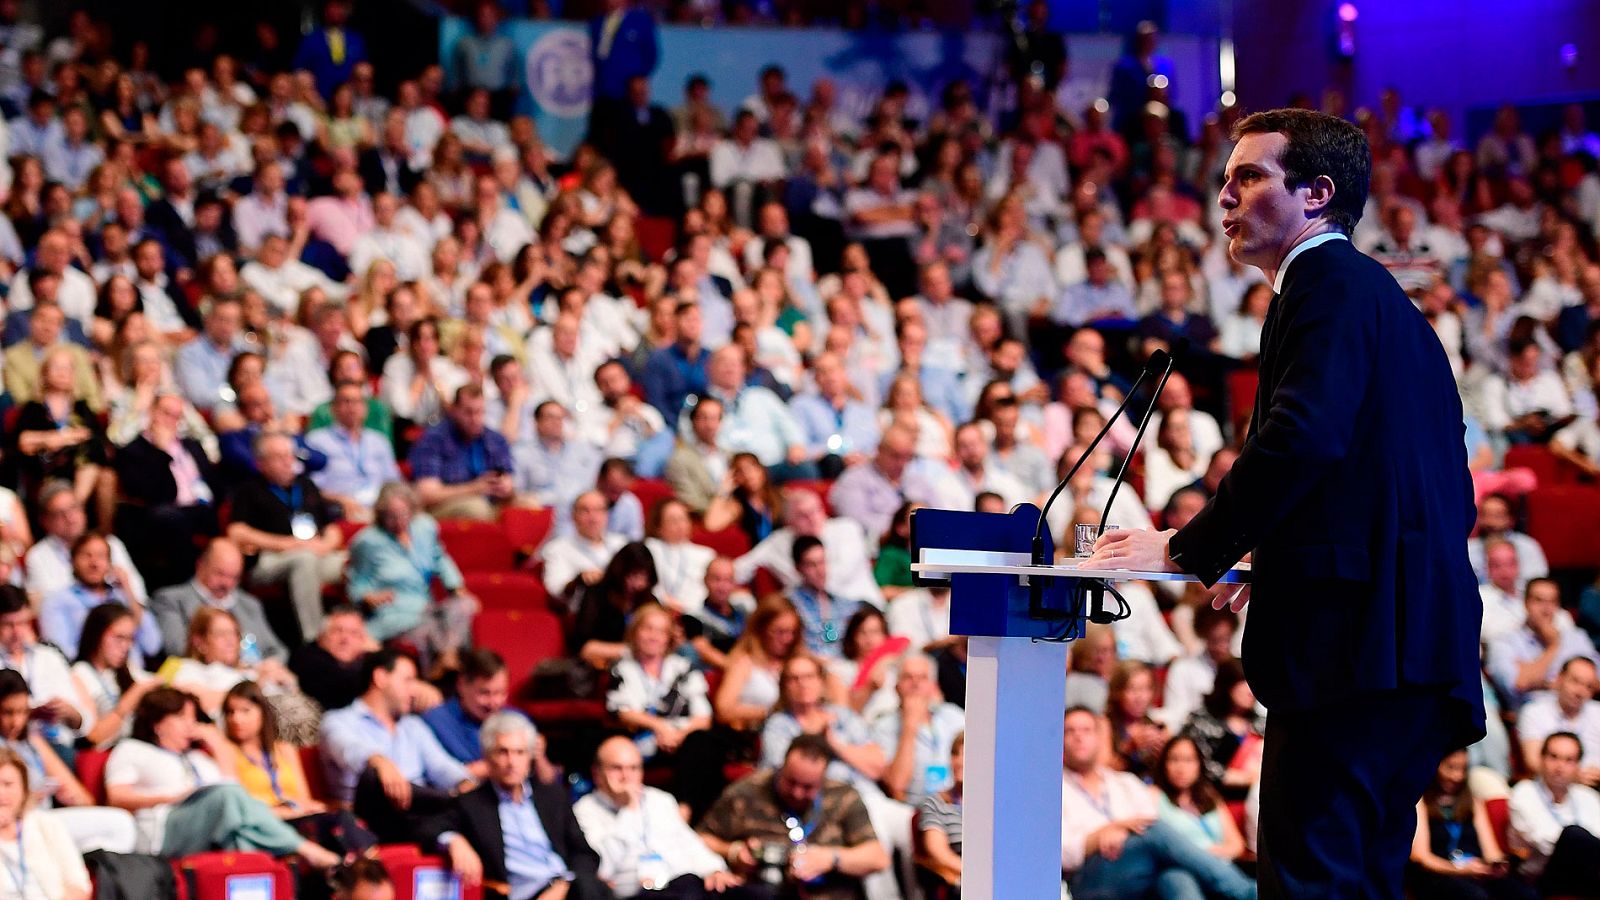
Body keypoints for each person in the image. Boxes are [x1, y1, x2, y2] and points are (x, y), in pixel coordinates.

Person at [1083, 108, 1484, 897]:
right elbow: (1390, 484)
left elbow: (1303, 437)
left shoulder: (1326, 286)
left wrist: (1188, 548)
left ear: (1317, 194)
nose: (1224, 197)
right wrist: (1277, 561)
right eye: (1226, 180)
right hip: (1404, 646)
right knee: (1358, 881)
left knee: (1310, 884)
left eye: (1249, 176)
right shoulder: (1384, 303)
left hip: (1352, 653)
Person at [104, 686, 340, 866]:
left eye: (193, 719)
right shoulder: (133, 749)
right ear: (158, 723)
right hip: (165, 828)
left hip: (212, 826)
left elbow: (234, 788)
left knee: (239, 835)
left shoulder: (198, 758)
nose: (190, 725)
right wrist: (173, 798)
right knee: (226, 799)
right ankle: (305, 850)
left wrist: (216, 744)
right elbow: (116, 797)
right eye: (182, 718)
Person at [1061, 706, 1256, 900]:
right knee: (1154, 832)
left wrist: (1123, 831)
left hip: (1141, 869)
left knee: (1176, 878)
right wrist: (1106, 831)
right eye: (1070, 731)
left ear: (1100, 738)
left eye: (1086, 730)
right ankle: (1247, 892)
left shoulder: (1125, 782)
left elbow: (1146, 822)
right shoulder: (1054, 793)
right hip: (1088, 878)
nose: (1079, 737)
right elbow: (1063, 854)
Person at [425, 711, 614, 900]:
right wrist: (454, 841)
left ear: (530, 757)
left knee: (591, 886)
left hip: (568, 888)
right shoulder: (472, 804)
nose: (512, 762)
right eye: (503, 752)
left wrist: (562, 887)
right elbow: (426, 827)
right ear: (488, 757)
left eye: (519, 752)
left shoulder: (551, 796)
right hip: (525, 894)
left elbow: (585, 854)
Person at [698, 733, 890, 899]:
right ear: (782, 767)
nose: (797, 793)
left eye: (808, 787)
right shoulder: (746, 792)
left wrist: (831, 859)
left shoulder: (843, 796)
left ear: (822, 779)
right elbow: (698, 839)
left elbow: (877, 857)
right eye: (791, 782)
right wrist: (733, 852)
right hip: (763, 893)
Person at [318, 649, 473, 844]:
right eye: (408, 680)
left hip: (422, 810)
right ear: (381, 677)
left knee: (476, 798)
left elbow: (442, 766)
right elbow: (350, 751)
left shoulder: (413, 725)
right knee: (372, 776)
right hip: (370, 817)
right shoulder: (337, 721)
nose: (415, 689)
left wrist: (465, 783)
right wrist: (380, 761)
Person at [573, 735, 748, 898]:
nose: (626, 776)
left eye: (633, 768)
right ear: (597, 773)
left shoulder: (660, 800)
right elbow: (602, 866)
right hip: (638, 893)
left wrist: (714, 870)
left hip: (686, 884)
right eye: (617, 768)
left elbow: (689, 842)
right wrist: (628, 810)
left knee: (756, 895)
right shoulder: (585, 810)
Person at [226, 430, 347, 643]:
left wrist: (324, 546)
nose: (287, 462)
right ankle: (315, 639)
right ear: (261, 462)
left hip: (314, 553)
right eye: (279, 457)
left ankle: (351, 633)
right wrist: (286, 544)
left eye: (290, 455)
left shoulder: (306, 485)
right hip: (269, 560)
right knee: (304, 560)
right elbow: (237, 532)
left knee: (351, 561)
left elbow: (332, 528)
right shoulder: (249, 490)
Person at [0, 668, 138, 854]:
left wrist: (69, 797)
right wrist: (28, 800)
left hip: (46, 821)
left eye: (23, 712)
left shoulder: (32, 741)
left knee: (122, 826)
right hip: (17, 825)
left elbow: (84, 799)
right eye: (8, 712)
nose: (16, 722)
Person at [345, 481, 476, 672]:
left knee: (465, 604)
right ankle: (441, 666)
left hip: (426, 605)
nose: (399, 522)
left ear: (412, 510)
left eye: (404, 514)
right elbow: (356, 585)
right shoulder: (366, 542)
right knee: (427, 628)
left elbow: (440, 558)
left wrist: (456, 587)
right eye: (391, 516)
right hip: (394, 612)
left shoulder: (425, 527)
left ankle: (448, 658)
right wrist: (368, 597)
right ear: (381, 514)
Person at [1406, 749, 1532, 900]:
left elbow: (1491, 852)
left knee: (1522, 893)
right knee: (1475, 896)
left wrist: (1496, 866)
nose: (1457, 776)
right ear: (1435, 766)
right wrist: (1461, 870)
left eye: (1462, 769)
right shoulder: (1421, 801)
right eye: (1451, 767)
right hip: (1439, 875)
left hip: (1475, 873)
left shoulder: (1472, 801)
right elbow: (1421, 857)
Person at [421, 648, 557, 784]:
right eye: (485, 693)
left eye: (500, 693)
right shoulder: (435, 722)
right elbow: (436, 778)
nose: (494, 702)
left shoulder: (517, 720)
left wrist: (539, 758)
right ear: (461, 685)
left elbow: (549, 782)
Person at [150, 538, 287, 664]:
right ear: (200, 566)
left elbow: (278, 650)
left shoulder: (250, 604)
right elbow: (177, 649)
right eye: (220, 574)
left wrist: (269, 666)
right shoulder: (172, 599)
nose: (227, 584)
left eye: (234, 577)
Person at [407, 384, 524, 522]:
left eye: (480, 412)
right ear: (454, 410)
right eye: (468, 412)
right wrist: (475, 488)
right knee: (477, 508)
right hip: (442, 508)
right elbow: (426, 494)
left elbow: (509, 482)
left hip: (491, 503)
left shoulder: (494, 439)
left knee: (528, 504)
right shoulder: (434, 439)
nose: (474, 419)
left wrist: (505, 488)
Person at [39, 532, 160, 663]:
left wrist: (128, 590)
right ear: (72, 561)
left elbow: (152, 645)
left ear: (110, 563)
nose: (94, 563)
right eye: (87, 556)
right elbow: (62, 652)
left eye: (101, 556)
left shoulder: (123, 597)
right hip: (87, 675)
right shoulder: (57, 601)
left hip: (133, 674)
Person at [1507, 733, 1600, 895]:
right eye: (1554, 757)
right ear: (1541, 759)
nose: (1560, 767)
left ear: (1578, 766)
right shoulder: (1524, 792)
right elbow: (1545, 842)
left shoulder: (1587, 796)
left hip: (1588, 873)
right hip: (1542, 877)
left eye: (1569, 760)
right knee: (1573, 834)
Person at [871, 653, 964, 808]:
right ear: (896, 686)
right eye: (908, 677)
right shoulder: (883, 726)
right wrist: (910, 726)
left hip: (958, 803)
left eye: (923, 678)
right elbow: (897, 785)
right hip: (913, 809)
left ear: (933, 686)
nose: (915, 683)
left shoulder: (953, 716)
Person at [0, 747, 93, 899]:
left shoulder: (47, 825)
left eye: (8, 784)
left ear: (24, 789)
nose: (1, 793)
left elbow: (79, 886)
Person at [305, 379, 402, 522]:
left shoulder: (379, 441)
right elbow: (311, 488)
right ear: (333, 408)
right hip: (343, 506)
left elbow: (394, 481)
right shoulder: (317, 441)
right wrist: (341, 500)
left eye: (357, 402)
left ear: (365, 408)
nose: (352, 407)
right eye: (346, 401)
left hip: (382, 506)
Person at [71, 604, 159, 748]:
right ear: (97, 635)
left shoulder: (128, 669)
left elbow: (155, 680)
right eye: (119, 638)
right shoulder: (80, 674)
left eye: (130, 639)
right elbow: (95, 735)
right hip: (109, 753)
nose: (126, 646)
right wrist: (133, 696)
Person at [1150, 735, 1248, 862]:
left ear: (1199, 765)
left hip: (1217, 864)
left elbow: (1237, 845)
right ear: (1164, 764)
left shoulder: (1210, 796)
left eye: (1188, 760)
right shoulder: (1154, 795)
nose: (1181, 768)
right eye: (1174, 760)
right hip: (1178, 864)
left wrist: (1209, 855)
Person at [714, 599, 805, 731]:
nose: (788, 639)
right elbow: (723, 710)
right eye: (780, 631)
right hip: (757, 734)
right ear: (762, 629)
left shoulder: (800, 662)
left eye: (793, 632)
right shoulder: (744, 663)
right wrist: (771, 712)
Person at [1517, 657, 1600, 784]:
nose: (1580, 691)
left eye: (1589, 686)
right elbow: (1533, 762)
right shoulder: (1535, 712)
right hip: (1551, 788)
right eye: (1575, 681)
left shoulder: (1597, 712)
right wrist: (1573, 777)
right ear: (1559, 679)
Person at [914, 730, 964, 896]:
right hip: (959, 877)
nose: (959, 761)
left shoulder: (992, 804)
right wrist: (974, 874)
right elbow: (938, 851)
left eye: (966, 754)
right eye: (955, 754)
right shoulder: (936, 802)